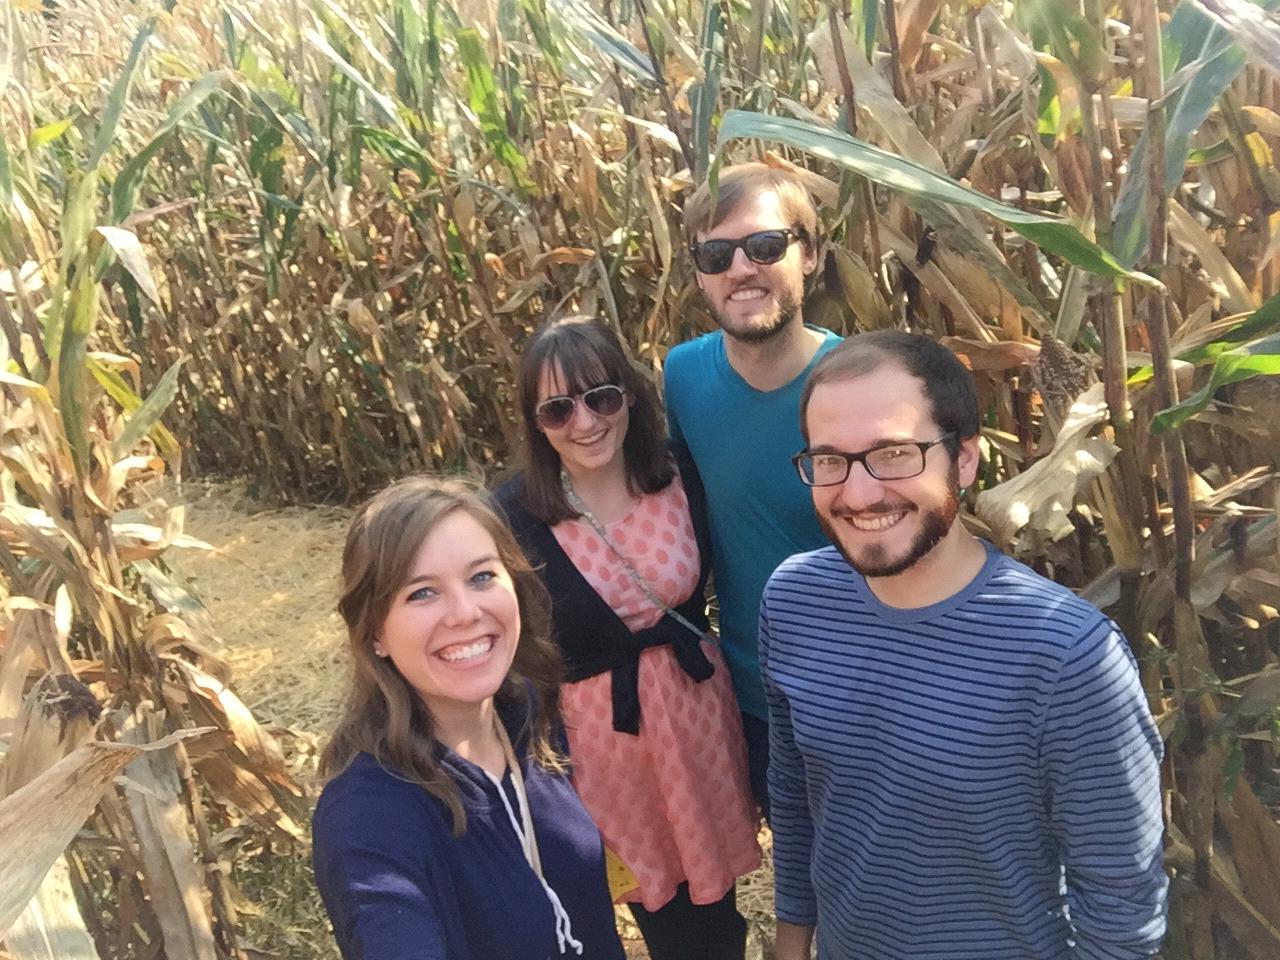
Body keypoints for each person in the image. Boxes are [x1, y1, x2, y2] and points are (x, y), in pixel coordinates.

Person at [761, 330, 1168, 959]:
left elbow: (1121, 909)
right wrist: (792, 946)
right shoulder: (794, 601)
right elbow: (796, 801)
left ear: (966, 459)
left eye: (894, 453)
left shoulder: (1067, 656)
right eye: (830, 461)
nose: (859, 493)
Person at [495, 317, 761, 960]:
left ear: (631, 395)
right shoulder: (512, 516)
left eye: (602, 397)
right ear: (536, 423)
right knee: (661, 915)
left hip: (698, 723)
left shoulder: (678, 475)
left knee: (718, 912)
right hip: (606, 748)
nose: (585, 422)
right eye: (558, 409)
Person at [312, 476, 626, 960]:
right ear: (375, 631)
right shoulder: (368, 817)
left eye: (481, 577)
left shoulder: (527, 713)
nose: (465, 613)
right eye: (422, 593)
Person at [664, 162, 842, 813]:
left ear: (810, 254)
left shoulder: (859, 385)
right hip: (754, 696)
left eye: (765, 246)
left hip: (864, 691)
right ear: (699, 272)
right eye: (716, 254)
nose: (741, 269)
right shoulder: (683, 376)